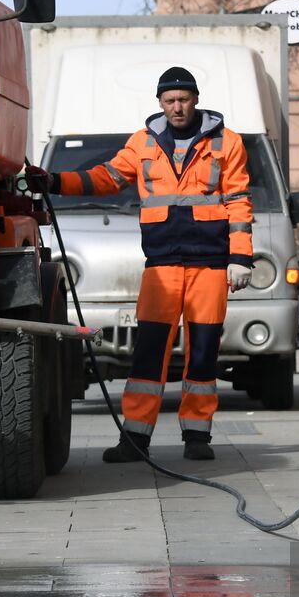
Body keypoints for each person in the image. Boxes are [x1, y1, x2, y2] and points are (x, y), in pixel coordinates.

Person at [51, 67, 254, 462]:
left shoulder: (227, 142)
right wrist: (56, 183)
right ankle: (135, 437)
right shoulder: (142, 143)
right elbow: (107, 178)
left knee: (203, 350)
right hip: (161, 264)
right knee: (148, 350)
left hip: (210, 263)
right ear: (159, 103)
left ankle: (197, 435)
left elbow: (239, 202)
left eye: (183, 99)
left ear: (196, 99)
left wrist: (241, 258)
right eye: (169, 101)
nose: (177, 107)